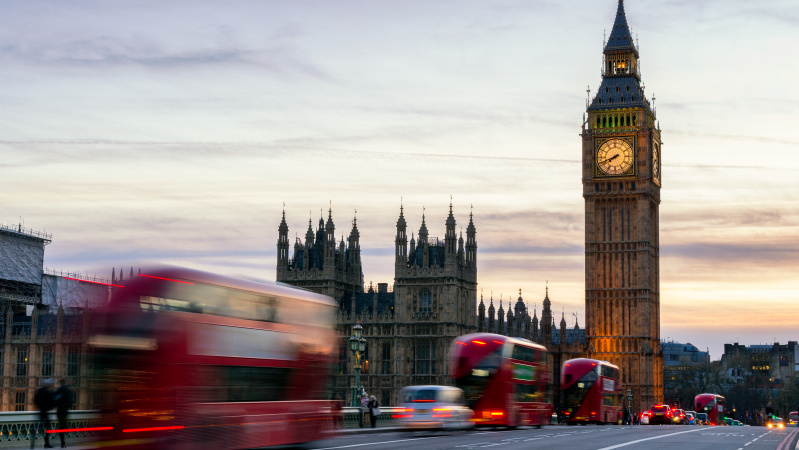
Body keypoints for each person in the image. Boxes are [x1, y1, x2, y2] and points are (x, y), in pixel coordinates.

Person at [32, 379, 54, 449]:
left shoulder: (39, 391)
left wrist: (39, 406)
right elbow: (51, 403)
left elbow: (35, 400)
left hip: (40, 411)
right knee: (48, 428)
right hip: (46, 412)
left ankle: (32, 443)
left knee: (36, 427)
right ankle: (46, 443)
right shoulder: (49, 392)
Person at [53, 379, 74, 448]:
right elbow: (71, 401)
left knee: (61, 426)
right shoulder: (69, 391)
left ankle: (62, 441)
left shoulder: (58, 391)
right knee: (63, 426)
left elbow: (54, 400)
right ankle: (63, 442)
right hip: (65, 410)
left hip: (59, 410)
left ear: (60, 383)